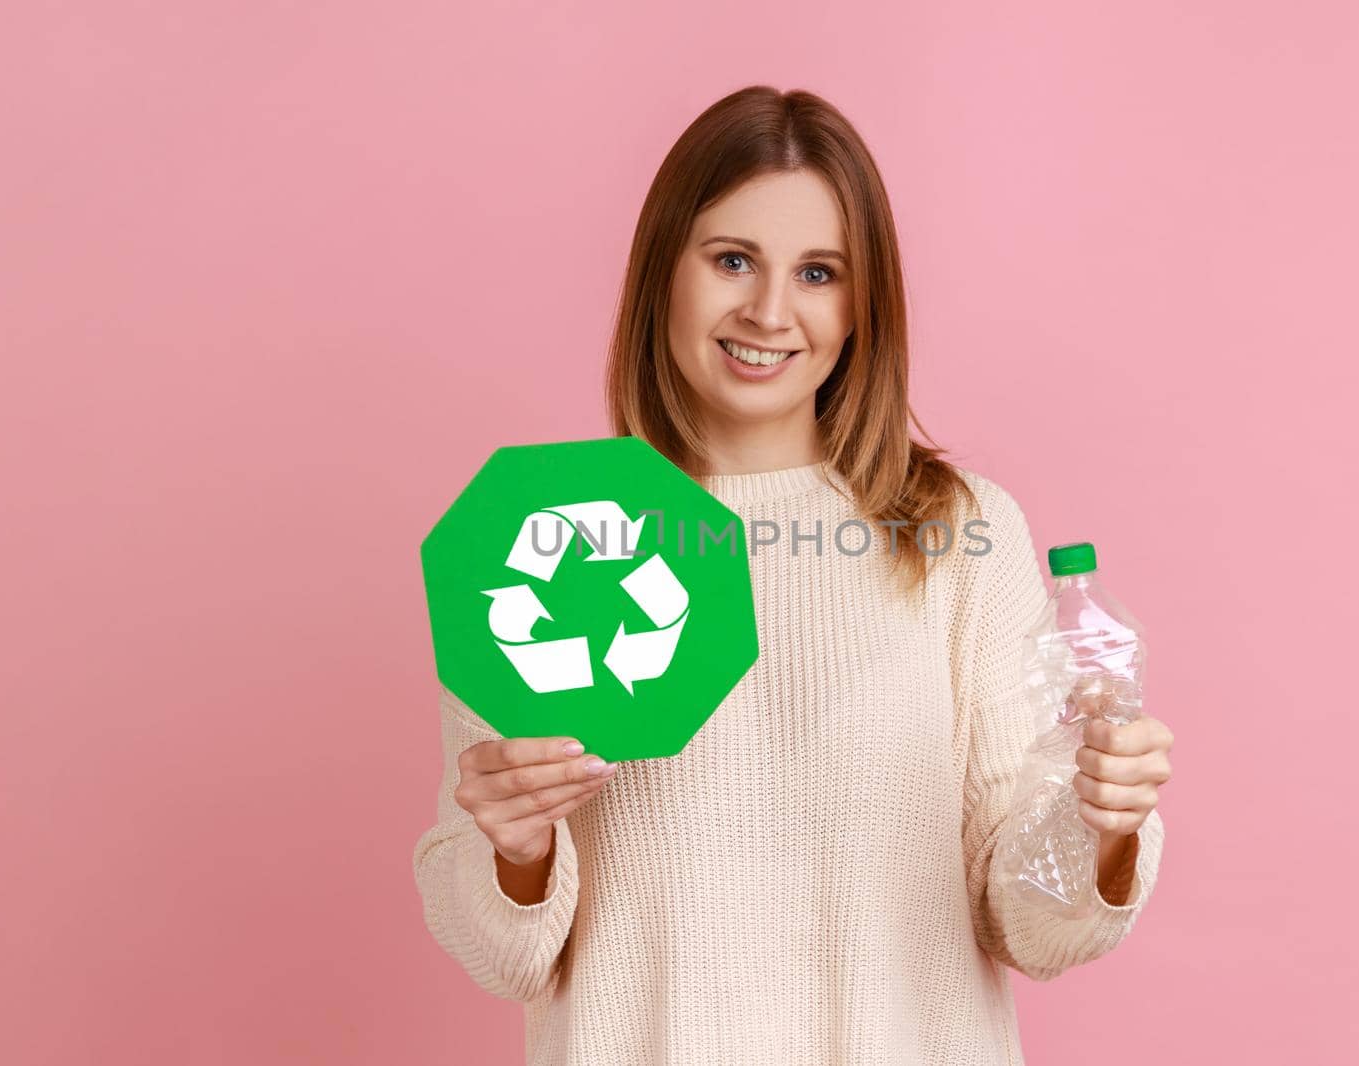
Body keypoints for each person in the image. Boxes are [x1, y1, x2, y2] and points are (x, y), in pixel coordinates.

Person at [412, 85, 1176, 1065]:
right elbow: (499, 952)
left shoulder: (958, 535)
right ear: (664, 272)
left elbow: (1026, 918)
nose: (769, 311)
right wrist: (516, 853)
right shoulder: (546, 539)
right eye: (731, 259)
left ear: (864, 304)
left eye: (818, 272)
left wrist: (1101, 824)